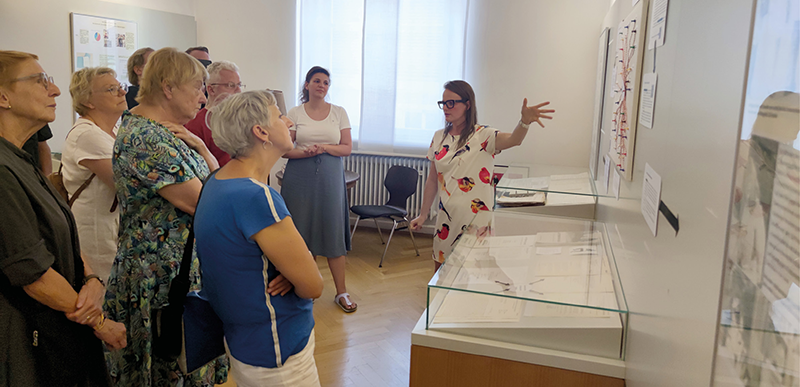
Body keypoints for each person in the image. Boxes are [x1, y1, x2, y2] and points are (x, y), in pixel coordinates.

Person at [0, 50, 127, 387]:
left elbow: (63, 230)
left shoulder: (19, 159)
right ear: (3, 97)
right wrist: (100, 322)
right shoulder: (2, 170)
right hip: (32, 338)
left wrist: (91, 280)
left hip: (61, 325)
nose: (55, 91)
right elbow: (32, 269)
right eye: (41, 81)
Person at [104, 47, 227, 386]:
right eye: (197, 87)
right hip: (161, 277)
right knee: (169, 369)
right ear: (168, 87)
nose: (203, 98)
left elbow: (211, 189)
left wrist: (202, 150)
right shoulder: (146, 138)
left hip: (179, 269)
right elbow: (208, 203)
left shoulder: (163, 130)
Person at [196, 90, 324, 387]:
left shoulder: (216, 181)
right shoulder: (256, 197)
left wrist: (291, 272)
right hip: (278, 348)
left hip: (244, 340)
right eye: (280, 116)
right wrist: (295, 273)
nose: (289, 120)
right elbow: (313, 285)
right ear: (260, 131)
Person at [409, 80, 555, 269]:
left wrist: (524, 122)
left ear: (467, 104)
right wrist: (423, 214)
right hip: (447, 218)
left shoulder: (483, 135)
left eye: (451, 103)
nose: (446, 108)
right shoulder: (439, 137)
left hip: (476, 220)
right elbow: (432, 180)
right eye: (443, 103)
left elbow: (514, 139)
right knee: (441, 272)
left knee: (475, 272)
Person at [282, 66, 356, 313]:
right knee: (301, 231)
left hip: (330, 177)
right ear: (307, 85)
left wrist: (323, 148)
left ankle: (341, 292)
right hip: (299, 177)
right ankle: (306, 288)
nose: (321, 85)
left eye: (325, 82)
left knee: (332, 230)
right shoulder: (295, 112)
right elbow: (284, 149)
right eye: (316, 81)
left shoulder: (339, 113)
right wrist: (306, 151)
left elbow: (346, 148)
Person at [62, 67, 127, 282]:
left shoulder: (113, 131)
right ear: (88, 101)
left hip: (111, 229)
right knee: (101, 295)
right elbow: (127, 184)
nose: (122, 93)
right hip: (96, 234)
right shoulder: (87, 134)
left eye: (120, 87)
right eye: (111, 89)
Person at [185, 60, 244, 167]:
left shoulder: (243, 119)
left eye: (239, 85)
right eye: (231, 85)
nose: (238, 90)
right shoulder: (196, 124)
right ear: (211, 89)